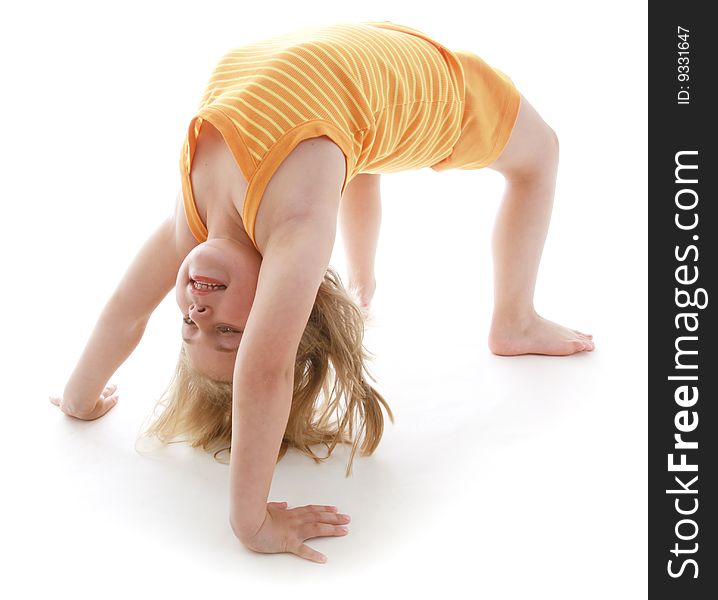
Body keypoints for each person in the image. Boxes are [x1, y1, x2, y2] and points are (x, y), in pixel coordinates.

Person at [50, 21, 594, 564]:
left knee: (347, 154)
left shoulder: (197, 222)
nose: (197, 310)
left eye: (188, 327)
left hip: (350, 71)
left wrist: (80, 398)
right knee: (540, 153)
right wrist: (250, 520)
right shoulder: (295, 223)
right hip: (429, 85)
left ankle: (363, 278)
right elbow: (264, 371)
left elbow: (126, 311)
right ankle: (514, 320)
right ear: (278, 305)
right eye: (226, 331)